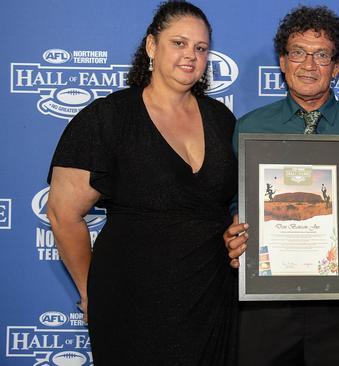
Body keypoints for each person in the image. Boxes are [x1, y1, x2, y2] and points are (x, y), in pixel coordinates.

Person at [46, 2, 238, 364]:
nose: (190, 56)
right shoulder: (108, 118)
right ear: (151, 46)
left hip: (212, 299)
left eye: (200, 48)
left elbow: (231, 205)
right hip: (130, 300)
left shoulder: (221, 119)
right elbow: (62, 214)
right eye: (178, 43)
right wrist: (91, 292)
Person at [222, 6, 339, 366]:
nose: (309, 65)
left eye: (322, 55)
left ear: (336, 66)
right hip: (266, 303)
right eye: (298, 53)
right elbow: (237, 203)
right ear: (283, 62)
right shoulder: (250, 128)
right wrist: (234, 233)